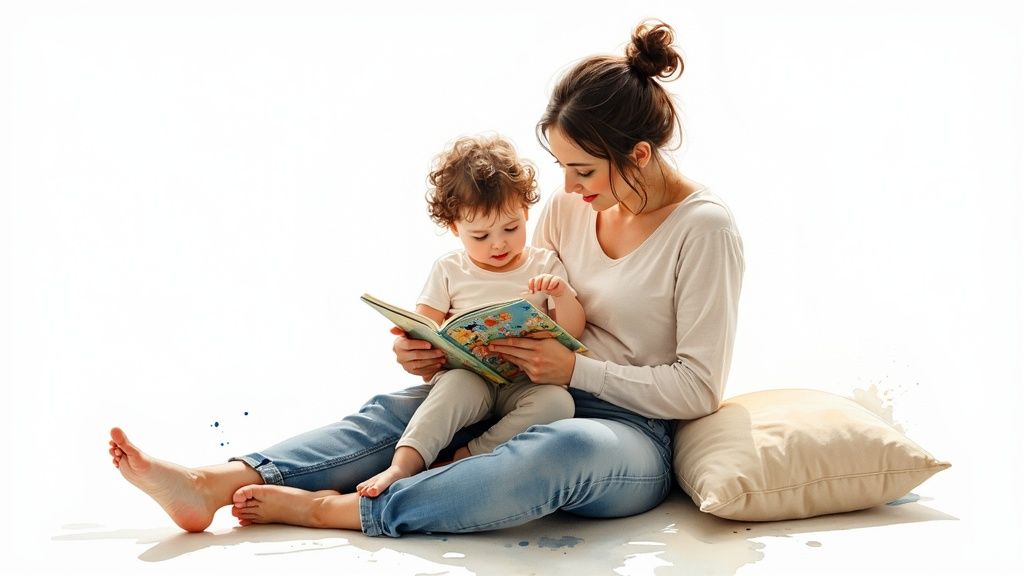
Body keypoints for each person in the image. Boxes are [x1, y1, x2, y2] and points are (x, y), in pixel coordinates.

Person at [108, 18, 744, 536]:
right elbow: (520, 302)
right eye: (561, 167)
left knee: (560, 450)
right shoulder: (569, 208)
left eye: (583, 171)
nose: (567, 189)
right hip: (526, 388)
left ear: (637, 155)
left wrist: (574, 372)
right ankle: (210, 484)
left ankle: (349, 511)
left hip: (628, 433)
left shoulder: (703, 230)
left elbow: (698, 389)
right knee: (403, 413)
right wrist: (441, 349)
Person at [355, 134, 584, 498]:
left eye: (511, 228)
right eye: (479, 235)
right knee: (451, 393)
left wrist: (563, 295)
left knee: (559, 402)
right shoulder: (449, 268)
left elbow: (573, 332)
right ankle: (402, 466)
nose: (498, 243)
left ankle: (465, 457)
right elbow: (425, 324)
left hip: (525, 380)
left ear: (526, 212)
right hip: (467, 376)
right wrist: (414, 342)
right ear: (454, 228)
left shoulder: (544, 264)